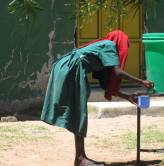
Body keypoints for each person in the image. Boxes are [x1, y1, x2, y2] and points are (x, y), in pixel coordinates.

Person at [40, 30, 153, 166]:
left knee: (78, 110)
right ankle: (80, 158)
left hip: (65, 67)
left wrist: (127, 96)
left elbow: (107, 84)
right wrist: (142, 82)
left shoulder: (104, 50)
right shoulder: (109, 45)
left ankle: (80, 157)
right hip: (71, 69)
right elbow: (118, 72)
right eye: (125, 44)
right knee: (78, 110)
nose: (125, 49)